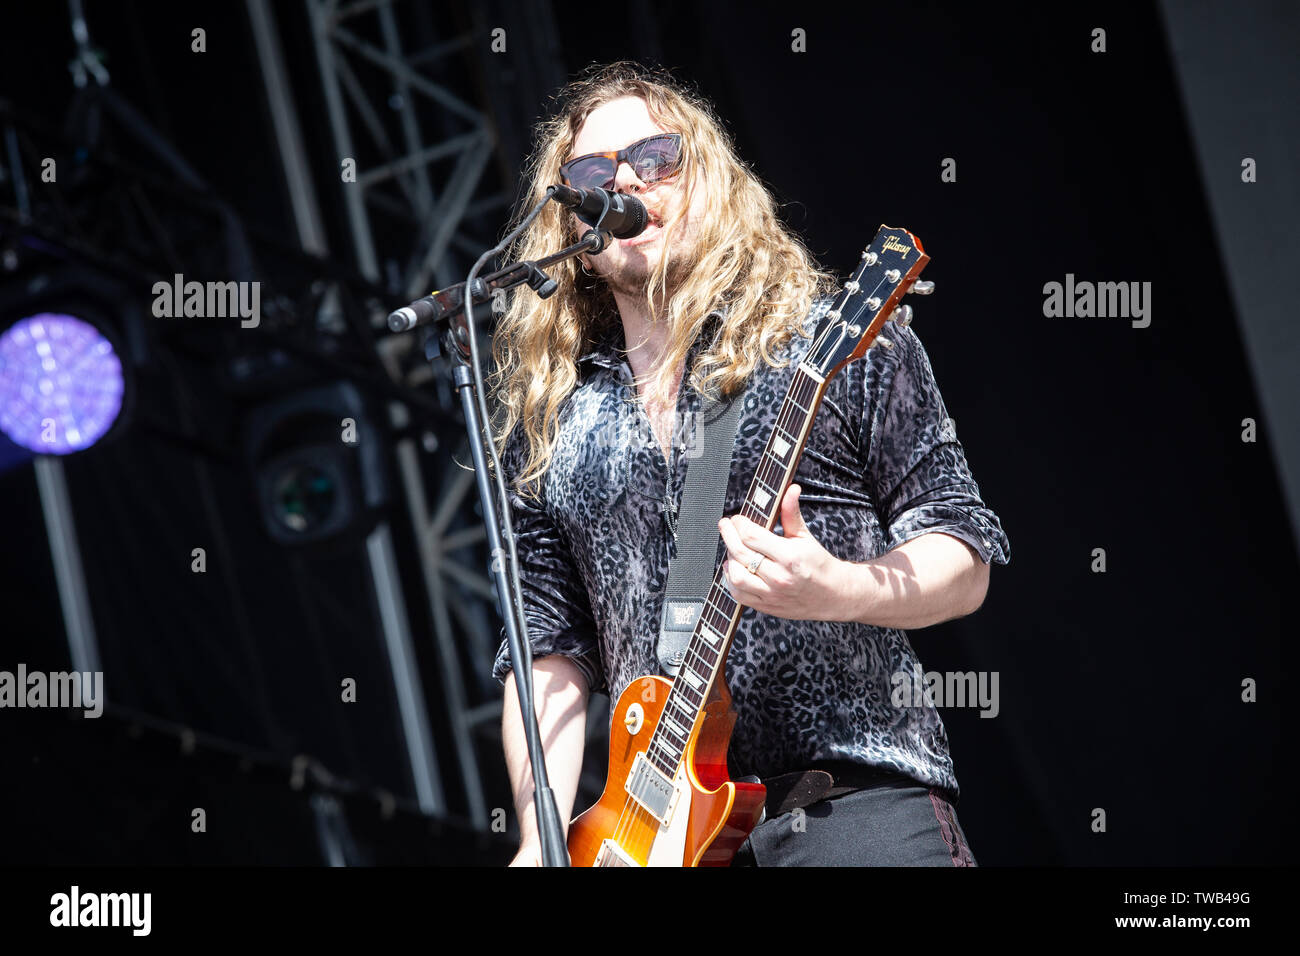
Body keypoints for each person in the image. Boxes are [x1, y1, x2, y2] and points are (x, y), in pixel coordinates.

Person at [488, 61, 1009, 867]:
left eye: (656, 158)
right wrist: (540, 838)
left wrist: (839, 588)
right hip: (659, 838)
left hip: (852, 803)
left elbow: (963, 553)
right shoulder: (552, 424)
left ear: (710, 182)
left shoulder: (828, 341)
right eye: (593, 173)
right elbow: (544, 654)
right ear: (574, 232)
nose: (624, 181)